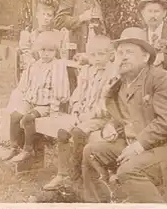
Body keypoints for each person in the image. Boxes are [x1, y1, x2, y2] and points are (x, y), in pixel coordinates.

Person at [81, 27, 167, 203]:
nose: (123, 57)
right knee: (91, 152)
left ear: (145, 57)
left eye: (130, 52)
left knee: (128, 170)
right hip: (133, 145)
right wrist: (111, 126)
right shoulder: (120, 84)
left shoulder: (161, 79)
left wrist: (139, 145)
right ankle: (99, 203)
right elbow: (124, 117)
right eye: (120, 53)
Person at [43, 35, 116, 191]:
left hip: (100, 118)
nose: (96, 59)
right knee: (63, 132)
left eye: (101, 54)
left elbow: (107, 103)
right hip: (81, 115)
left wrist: (88, 116)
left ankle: (76, 174)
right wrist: (75, 111)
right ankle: (62, 174)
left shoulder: (112, 75)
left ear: (111, 55)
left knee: (78, 132)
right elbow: (77, 94)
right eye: (93, 55)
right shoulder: (87, 71)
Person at [0, 1, 59, 147]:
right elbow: (26, 56)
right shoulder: (29, 35)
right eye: (43, 14)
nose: (46, 18)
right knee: (17, 96)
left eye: (50, 15)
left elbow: (59, 56)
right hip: (32, 75)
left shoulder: (57, 35)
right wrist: (35, 65)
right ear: (37, 16)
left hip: (48, 75)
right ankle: (9, 137)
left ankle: (45, 133)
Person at [2, 31, 71, 164]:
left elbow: (60, 90)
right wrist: (24, 100)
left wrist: (54, 112)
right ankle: (14, 147)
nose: (46, 53)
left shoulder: (57, 66)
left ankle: (28, 149)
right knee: (15, 116)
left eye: (50, 50)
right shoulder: (35, 65)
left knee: (28, 118)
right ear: (38, 50)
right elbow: (25, 85)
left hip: (46, 105)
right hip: (32, 101)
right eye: (43, 50)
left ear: (55, 51)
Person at [54, 0, 107, 93]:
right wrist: (81, 18)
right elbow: (59, 21)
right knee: (79, 84)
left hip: (95, 47)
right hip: (78, 47)